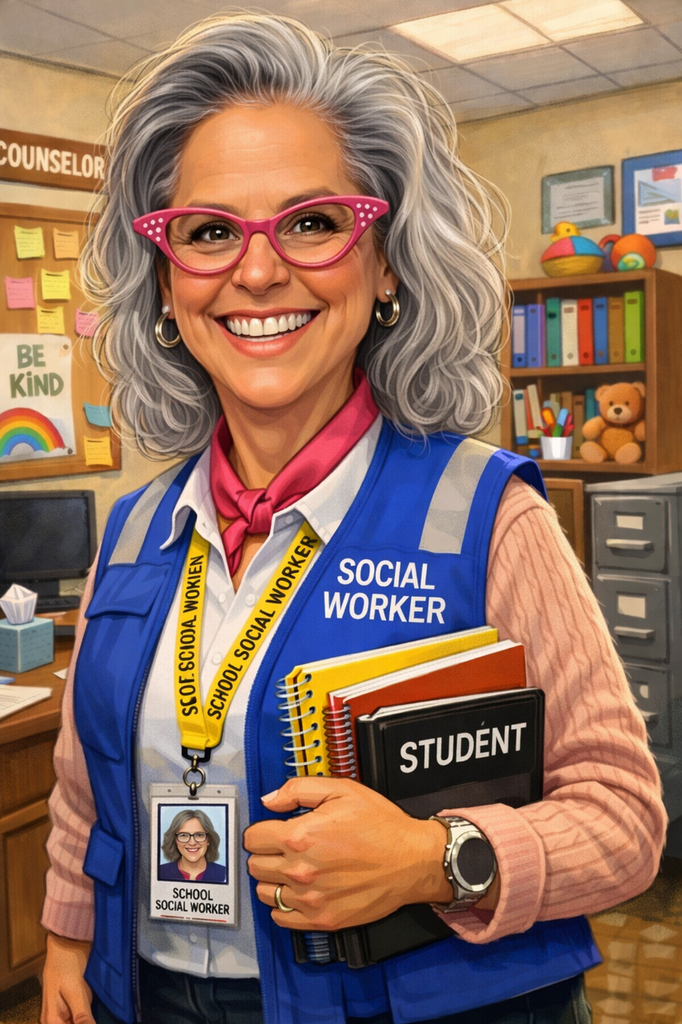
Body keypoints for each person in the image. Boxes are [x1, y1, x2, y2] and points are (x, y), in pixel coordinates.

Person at [40, 13, 665, 1024]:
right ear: (166, 283)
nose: (255, 271)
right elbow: (83, 784)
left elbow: (625, 819)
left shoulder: (485, 513)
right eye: (207, 233)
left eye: (312, 222)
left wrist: (435, 857)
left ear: (385, 266)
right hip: (143, 997)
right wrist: (69, 933)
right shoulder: (136, 525)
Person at [158, 810, 227, 883]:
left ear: (209, 839)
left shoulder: (224, 874)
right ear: (174, 840)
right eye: (184, 835)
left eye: (199, 835)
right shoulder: (158, 873)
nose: (192, 842)